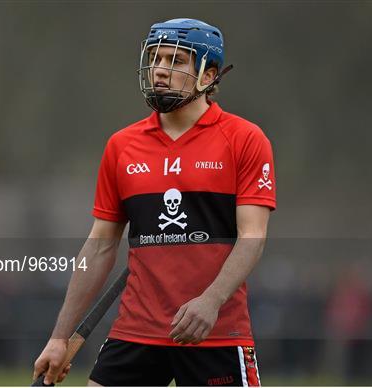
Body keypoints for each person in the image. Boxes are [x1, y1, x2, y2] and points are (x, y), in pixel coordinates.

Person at [33, 18, 276, 386]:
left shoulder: (245, 139)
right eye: (156, 58)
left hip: (216, 333)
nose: (161, 70)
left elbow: (253, 238)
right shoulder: (122, 145)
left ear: (208, 75)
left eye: (176, 61)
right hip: (136, 333)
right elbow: (99, 248)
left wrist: (210, 301)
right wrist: (59, 337)